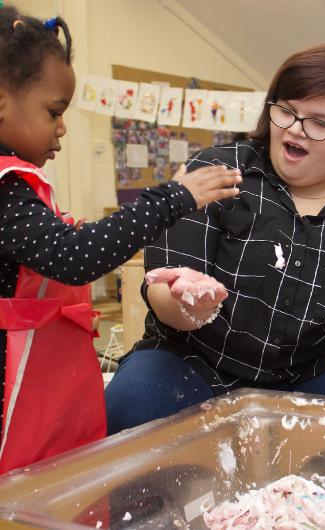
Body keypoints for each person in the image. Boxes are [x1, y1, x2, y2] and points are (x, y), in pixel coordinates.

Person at [105, 43, 325, 434]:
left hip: (316, 376)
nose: (293, 130)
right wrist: (187, 303)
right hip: (193, 363)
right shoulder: (217, 171)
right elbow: (163, 291)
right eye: (285, 111)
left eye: (319, 123)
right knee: (133, 399)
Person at [0, 5, 241, 472]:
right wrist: (173, 198)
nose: (63, 127)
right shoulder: (6, 190)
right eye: (54, 111)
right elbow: (74, 257)